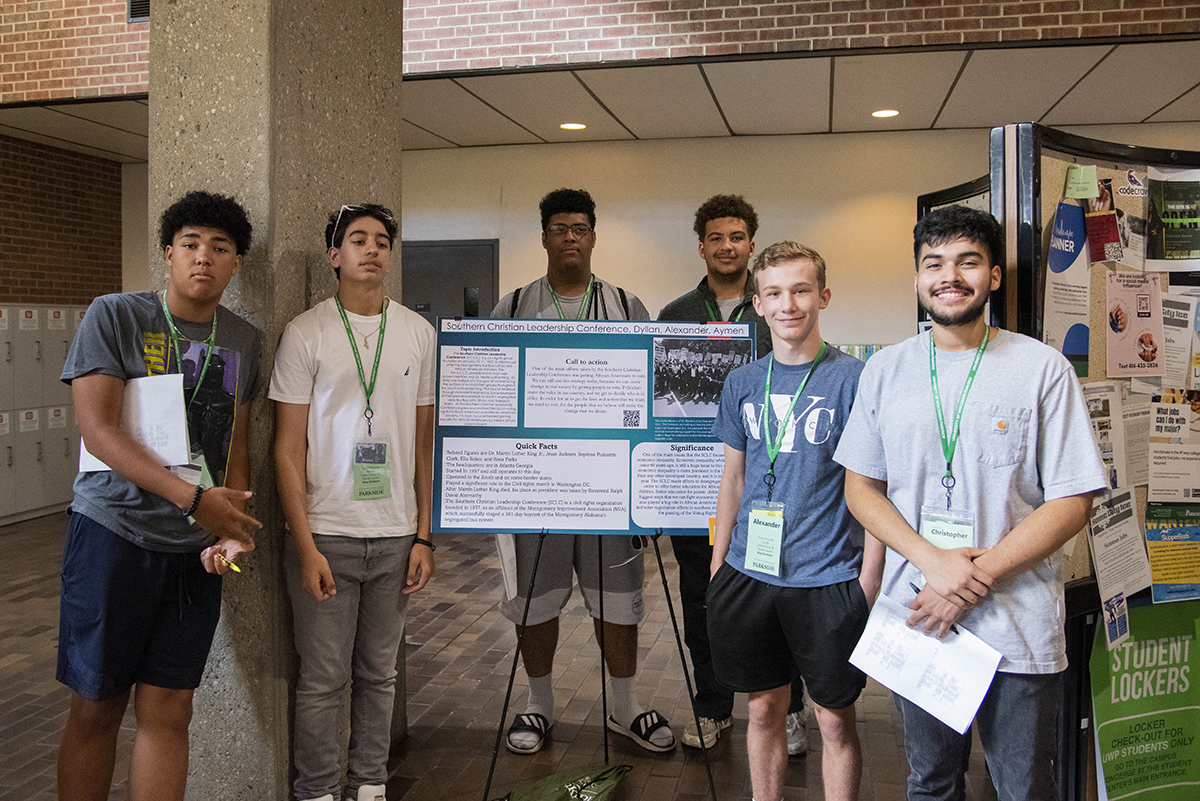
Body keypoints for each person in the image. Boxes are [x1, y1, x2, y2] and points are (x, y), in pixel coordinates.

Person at [834, 206, 1106, 801]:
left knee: (1025, 787)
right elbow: (861, 488)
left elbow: (1073, 499)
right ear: (917, 278)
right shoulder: (885, 370)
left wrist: (968, 577)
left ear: (994, 277)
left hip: (1018, 622)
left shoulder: (1042, 369)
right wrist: (933, 563)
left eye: (968, 261)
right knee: (930, 783)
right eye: (934, 263)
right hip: (922, 618)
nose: (949, 275)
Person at [56, 191, 263, 801]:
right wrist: (194, 500)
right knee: (96, 706)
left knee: (171, 710)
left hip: (193, 552)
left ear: (237, 265)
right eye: (192, 245)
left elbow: (237, 447)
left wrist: (232, 527)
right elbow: (99, 429)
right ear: (168, 254)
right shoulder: (116, 315)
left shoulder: (245, 339)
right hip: (112, 533)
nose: (205, 258)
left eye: (221, 248)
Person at [493, 188, 675, 755]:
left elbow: (656, 399)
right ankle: (538, 703)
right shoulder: (515, 304)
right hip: (535, 490)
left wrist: (653, 495)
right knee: (534, 602)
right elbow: (491, 395)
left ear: (593, 237)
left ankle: (624, 707)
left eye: (579, 228)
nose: (569, 236)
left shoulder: (626, 305)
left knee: (619, 601)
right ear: (544, 237)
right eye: (559, 227)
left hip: (609, 492)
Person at [271, 203, 436, 801]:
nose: (372, 249)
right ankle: (316, 791)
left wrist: (423, 535)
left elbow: (424, 445)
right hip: (327, 534)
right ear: (334, 255)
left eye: (382, 241)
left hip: (395, 535)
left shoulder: (418, 333)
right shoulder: (306, 332)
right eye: (357, 240)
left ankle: (369, 786)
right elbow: (286, 450)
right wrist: (305, 541)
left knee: (380, 675)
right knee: (321, 680)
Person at [708, 241, 883, 801]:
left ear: (823, 296)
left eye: (802, 290)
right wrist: (719, 567)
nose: (789, 304)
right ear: (757, 303)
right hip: (750, 573)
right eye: (775, 292)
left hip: (829, 575)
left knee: (834, 721)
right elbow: (733, 479)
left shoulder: (855, 380)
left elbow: (877, 485)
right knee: (763, 710)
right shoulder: (742, 383)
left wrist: (869, 581)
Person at [656, 194, 809, 753]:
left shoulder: (773, 307)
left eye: (737, 237)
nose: (726, 246)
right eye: (716, 237)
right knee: (704, 600)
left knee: (778, 598)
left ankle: (789, 709)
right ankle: (713, 706)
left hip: (770, 483)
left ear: (751, 243)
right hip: (695, 483)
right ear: (701, 247)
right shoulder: (673, 315)